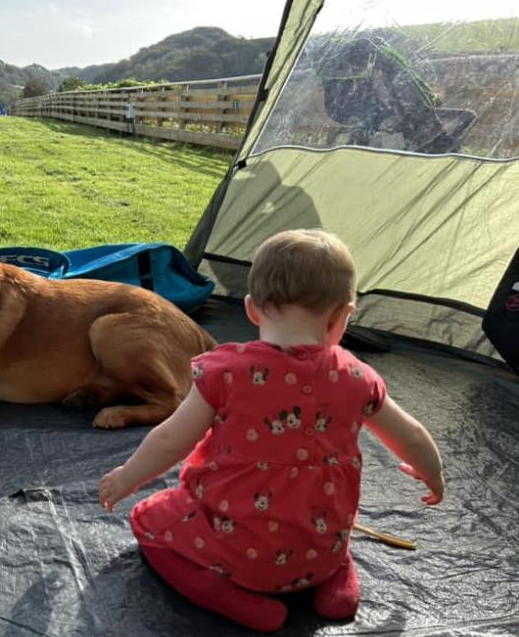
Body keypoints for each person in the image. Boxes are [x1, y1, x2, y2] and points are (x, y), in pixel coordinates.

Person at [98, 229, 445, 632]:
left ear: (251, 309)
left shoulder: (226, 373)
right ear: (341, 316)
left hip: (238, 557)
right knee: (327, 519)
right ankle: (336, 581)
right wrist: (432, 475)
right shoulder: (358, 377)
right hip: (318, 548)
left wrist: (127, 477)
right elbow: (413, 436)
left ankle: (237, 601)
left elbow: (171, 439)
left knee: (148, 521)